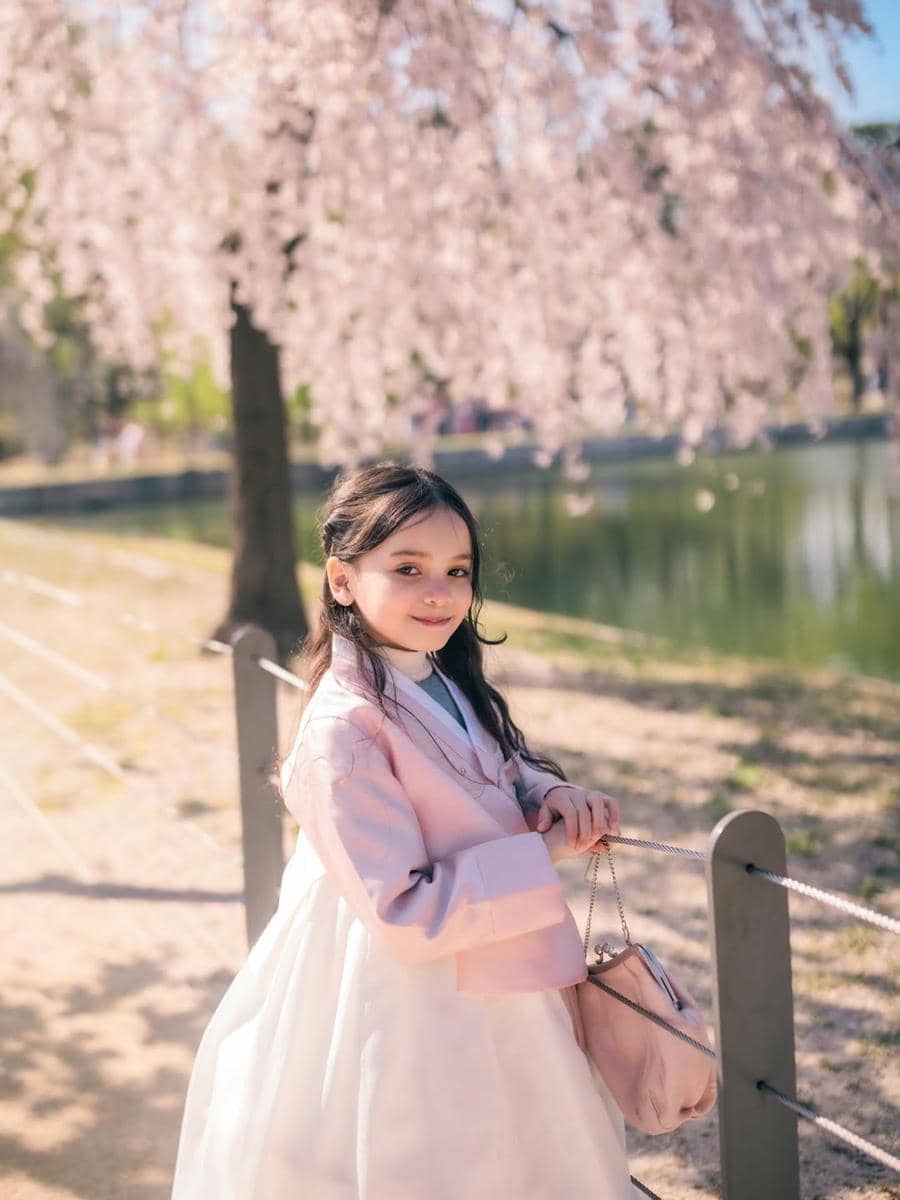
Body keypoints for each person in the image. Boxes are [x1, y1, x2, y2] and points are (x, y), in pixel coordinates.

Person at [171, 462, 638, 1199]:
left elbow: (495, 773)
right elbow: (405, 913)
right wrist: (540, 848)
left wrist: (550, 793)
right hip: (400, 986)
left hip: (491, 957)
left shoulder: (438, 675)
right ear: (342, 579)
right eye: (408, 567)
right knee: (427, 1151)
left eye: (457, 570)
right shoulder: (343, 731)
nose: (440, 592)